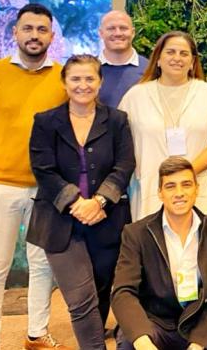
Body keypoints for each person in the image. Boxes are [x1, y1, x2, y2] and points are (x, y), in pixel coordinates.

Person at [0, 3, 70, 350]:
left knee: (41, 264)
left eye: (41, 29)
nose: (34, 35)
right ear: (15, 33)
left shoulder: (62, 77)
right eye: (28, 28)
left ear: (51, 35)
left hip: (45, 189)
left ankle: (36, 334)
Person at [28, 55, 135, 349]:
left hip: (106, 219)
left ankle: (94, 341)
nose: (83, 85)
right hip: (60, 221)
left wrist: (99, 202)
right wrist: (77, 203)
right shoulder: (46, 122)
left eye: (90, 79)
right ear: (64, 82)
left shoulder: (116, 121)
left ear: (100, 83)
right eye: (75, 79)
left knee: (102, 291)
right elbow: (43, 170)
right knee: (80, 298)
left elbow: (125, 165)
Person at [111, 156, 207, 350]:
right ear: (160, 193)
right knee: (130, 345)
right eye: (170, 186)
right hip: (154, 321)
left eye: (186, 184)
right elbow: (123, 292)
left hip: (197, 321)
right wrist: (142, 341)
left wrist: (199, 343)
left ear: (196, 189)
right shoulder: (136, 234)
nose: (179, 193)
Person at [118, 31, 207, 221]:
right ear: (159, 59)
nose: (177, 58)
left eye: (184, 53)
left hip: (197, 188)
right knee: (153, 247)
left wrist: (187, 173)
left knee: (198, 246)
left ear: (193, 62)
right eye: (170, 52)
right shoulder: (136, 96)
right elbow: (121, 144)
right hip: (151, 191)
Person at [97, 10, 148, 107]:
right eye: (111, 28)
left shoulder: (150, 69)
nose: (118, 33)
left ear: (133, 33)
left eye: (123, 28)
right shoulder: (89, 70)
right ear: (101, 33)